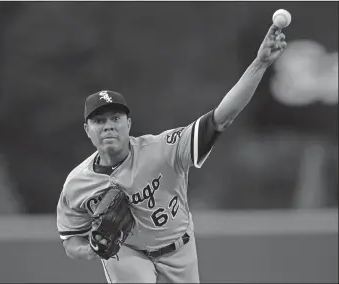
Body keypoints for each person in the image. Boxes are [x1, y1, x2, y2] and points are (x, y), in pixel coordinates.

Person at [57, 24, 287, 283]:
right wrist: (90, 248)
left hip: (179, 249)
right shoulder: (77, 184)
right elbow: (70, 239)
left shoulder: (163, 149)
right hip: (126, 252)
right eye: (99, 121)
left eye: (115, 118)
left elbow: (221, 118)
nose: (108, 126)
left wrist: (259, 64)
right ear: (87, 129)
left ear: (129, 124)